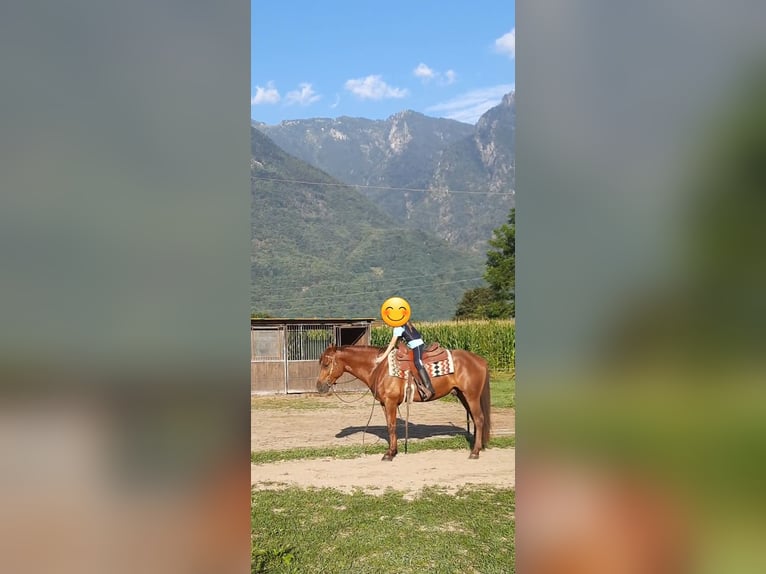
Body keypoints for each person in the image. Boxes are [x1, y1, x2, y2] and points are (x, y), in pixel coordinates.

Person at [376, 320, 435, 399]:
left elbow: (392, 344)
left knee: (418, 362)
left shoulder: (398, 328)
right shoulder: (405, 324)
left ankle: (429, 388)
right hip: (418, 344)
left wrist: (382, 357)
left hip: (416, 346)